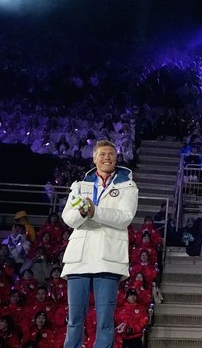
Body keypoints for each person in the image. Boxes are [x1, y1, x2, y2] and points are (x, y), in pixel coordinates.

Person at [60, 139, 139, 348]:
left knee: (105, 321)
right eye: (102, 154)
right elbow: (68, 218)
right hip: (79, 257)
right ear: (94, 158)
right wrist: (83, 213)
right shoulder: (79, 186)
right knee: (75, 319)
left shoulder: (128, 186)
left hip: (108, 258)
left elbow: (125, 217)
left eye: (111, 154)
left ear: (116, 158)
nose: (107, 158)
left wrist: (95, 211)